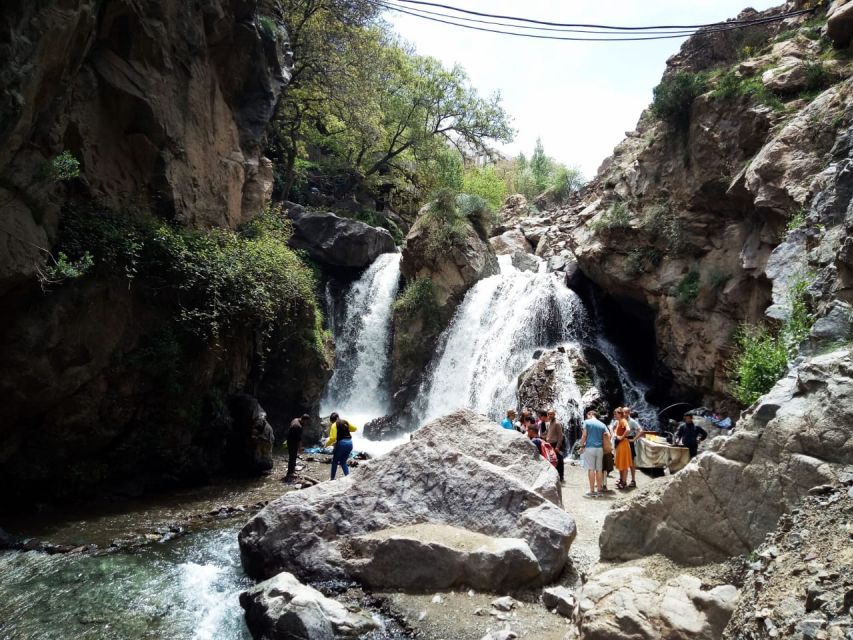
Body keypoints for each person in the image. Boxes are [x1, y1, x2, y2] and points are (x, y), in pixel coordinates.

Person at [579, 409, 606, 498]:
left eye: (587, 415)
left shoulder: (587, 422)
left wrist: (581, 446)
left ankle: (592, 491)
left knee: (591, 469)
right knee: (599, 470)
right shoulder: (602, 424)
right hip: (600, 449)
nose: (587, 417)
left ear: (591, 414)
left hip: (590, 448)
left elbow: (584, 435)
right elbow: (607, 436)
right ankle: (599, 490)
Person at [613, 408, 634, 489]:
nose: (614, 415)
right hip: (620, 444)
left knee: (624, 464)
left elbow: (628, 430)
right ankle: (621, 480)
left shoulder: (623, 420)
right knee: (621, 462)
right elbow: (615, 430)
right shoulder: (619, 421)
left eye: (616, 414)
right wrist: (615, 434)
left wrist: (621, 437)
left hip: (623, 444)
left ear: (620, 414)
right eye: (614, 414)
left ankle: (624, 482)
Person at [285, 413, 310, 481]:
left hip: (289, 440)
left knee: (293, 456)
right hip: (292, 443)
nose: (306, 423)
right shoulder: (298, 426)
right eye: (306, 421)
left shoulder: (295, 419)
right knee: (292, 457)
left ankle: (292, 471)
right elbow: (299, 439)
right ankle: (290, 473)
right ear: (304, 420)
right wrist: (300, 448)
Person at [544, 408, 565, 482]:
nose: (550, 415)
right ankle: (554, 476)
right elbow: (547, 432)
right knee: (552, 460)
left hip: (555, 444)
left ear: (554, 414)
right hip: (550, 444)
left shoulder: (557, 423)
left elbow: (560, 436)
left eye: (551, 414)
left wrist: (558, 446)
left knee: (559, 460)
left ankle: (561, 476)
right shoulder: (549, 422)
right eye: (549, 414)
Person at [625, 408, 642, 488]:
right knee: (623, 461)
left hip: (629, 441)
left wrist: (634, 439)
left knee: (631, 462)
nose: (625, 413)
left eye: (626, 412)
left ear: (629, 413)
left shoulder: (632, 421)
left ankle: (633, 480)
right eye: (624, 412)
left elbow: (640, 431)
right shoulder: (620, 420)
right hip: (622, 441)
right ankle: (623, 479)